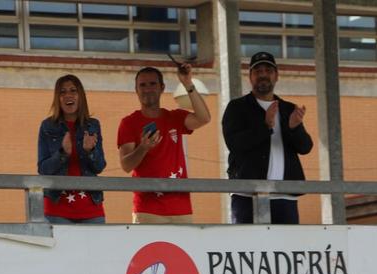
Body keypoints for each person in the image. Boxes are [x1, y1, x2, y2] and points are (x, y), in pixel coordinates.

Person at [221, 51, 314, 225]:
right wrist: (265, 126)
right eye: (258, 71)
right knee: (245, 241)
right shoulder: (237, 107)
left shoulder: (288, 108)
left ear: (276, 76)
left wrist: (294, 128)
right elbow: (234, 143)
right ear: (250, 77)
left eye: (268, 71)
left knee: (286, 242)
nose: (263, 75)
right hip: (247, 194)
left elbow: (305, 147)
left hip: (285, 195)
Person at [117, 64, 211, 224]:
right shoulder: (129, 123)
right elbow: (126, 165)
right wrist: (143, 148)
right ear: (136, 90)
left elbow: (204, 118)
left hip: (181, 208)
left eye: (152, 84)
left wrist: (187, 83)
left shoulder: (175, 117)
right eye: (142, 85)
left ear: (162, 88)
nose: (148, 89)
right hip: (147, 209)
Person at [37, 74, 107, 224]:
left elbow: (99, 166)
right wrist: (62, 153)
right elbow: (43, 169)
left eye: (73, 90)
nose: (68, 95)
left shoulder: (93, 125)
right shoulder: (47, 126)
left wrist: (90, 151)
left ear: (80, 95)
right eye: (62, 92)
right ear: (57, 98)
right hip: (56, 208)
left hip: (91, 208)